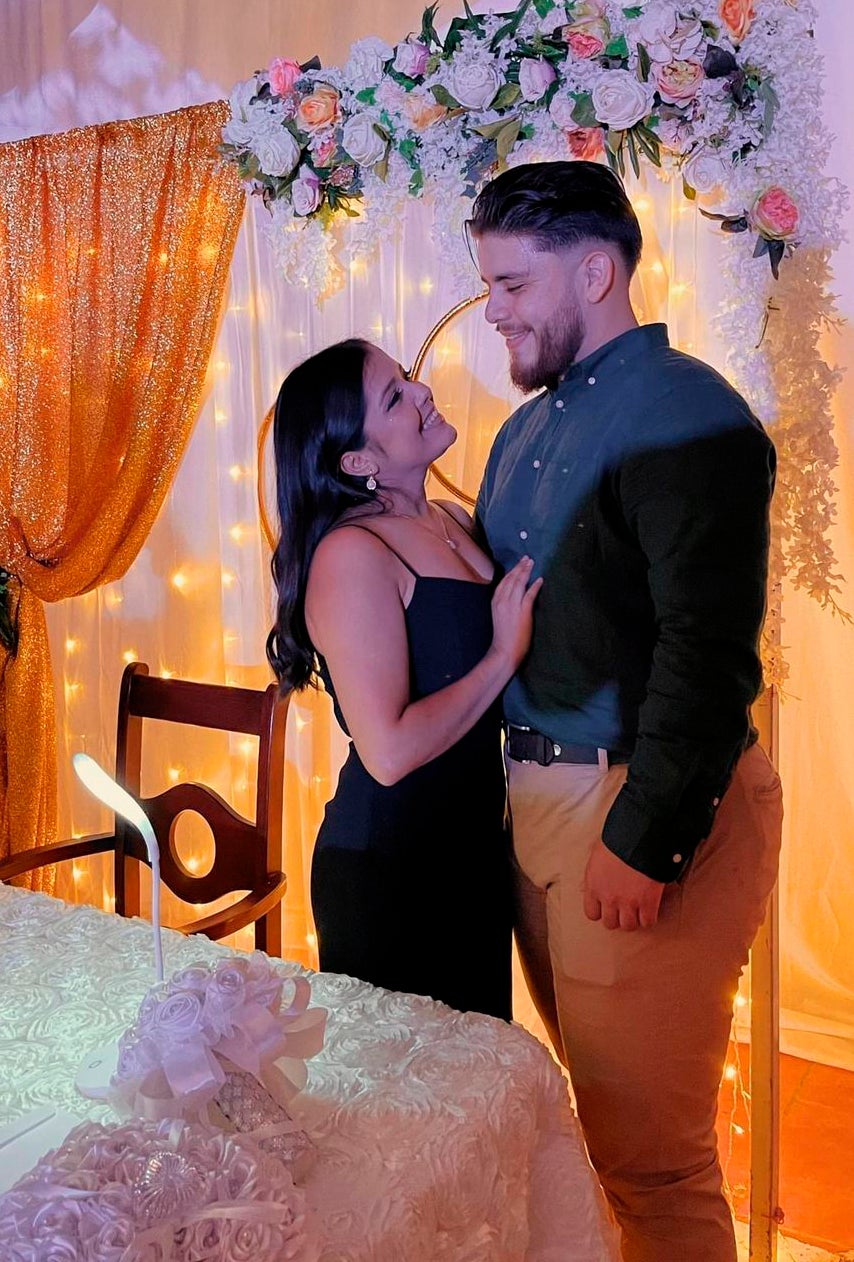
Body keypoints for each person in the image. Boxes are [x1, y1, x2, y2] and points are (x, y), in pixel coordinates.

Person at [470, 161, 783, 1261]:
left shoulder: (689, 415)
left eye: (511, 286)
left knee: (654, 1160)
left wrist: (643, 841)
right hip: (541, 809)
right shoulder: (520, 431)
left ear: (594, 272)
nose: (493, 311)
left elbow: (705, 659)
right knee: (599, 1142)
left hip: (630, 809)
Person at [266, 338, 541, 1021]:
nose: (422, 393)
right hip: (391, 869)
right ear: (357, 461)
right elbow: (386, 752)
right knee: (409, 1109)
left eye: (407, 378)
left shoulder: (449, 519)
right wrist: (501, 659)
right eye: (395, 396)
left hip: (471, 854)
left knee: (476, 1098)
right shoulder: (351, 553)